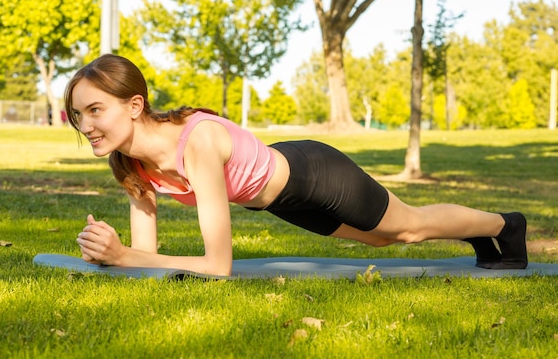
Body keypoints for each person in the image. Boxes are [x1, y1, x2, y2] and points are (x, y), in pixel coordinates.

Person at [66, 54, 528, 277]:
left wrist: (125, 256)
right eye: (78, 114)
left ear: (133, 105)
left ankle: (505, 226)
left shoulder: (198, 142)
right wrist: (117, 253)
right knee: (381, 240)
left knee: (407, 228)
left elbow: (218, 265)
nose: (85, 124)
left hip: (315, 173)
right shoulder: (132, 163)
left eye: (95, 110)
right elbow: (145, 259)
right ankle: (481, 233)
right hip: (278, 200)